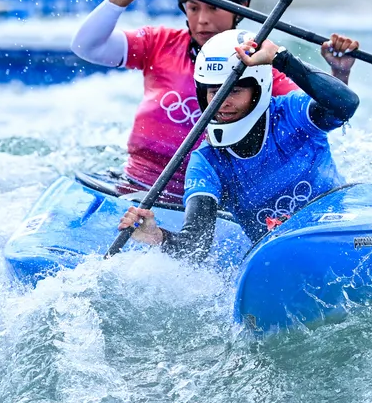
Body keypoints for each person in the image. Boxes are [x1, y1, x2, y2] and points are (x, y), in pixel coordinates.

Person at [71, 0, 359, 202]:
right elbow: (87, 47)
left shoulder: (259, 72)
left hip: (207, 202)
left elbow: (326, 117)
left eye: (213, 7)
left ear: (241, 8)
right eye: (193, 7)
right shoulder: (160, 44)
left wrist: (339, 73)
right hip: (135, 187)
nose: (202, 19)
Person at [116, 28, 359, 260]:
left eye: (234, 90)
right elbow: (196, 246)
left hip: (344, 237)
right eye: (214, 91)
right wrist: (158, 236)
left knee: (361, 242)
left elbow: (346, 104)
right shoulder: (206, 162)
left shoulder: (292, 113)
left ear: (259, 89)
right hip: (280, 257)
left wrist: (281, 59)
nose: (222, 102)